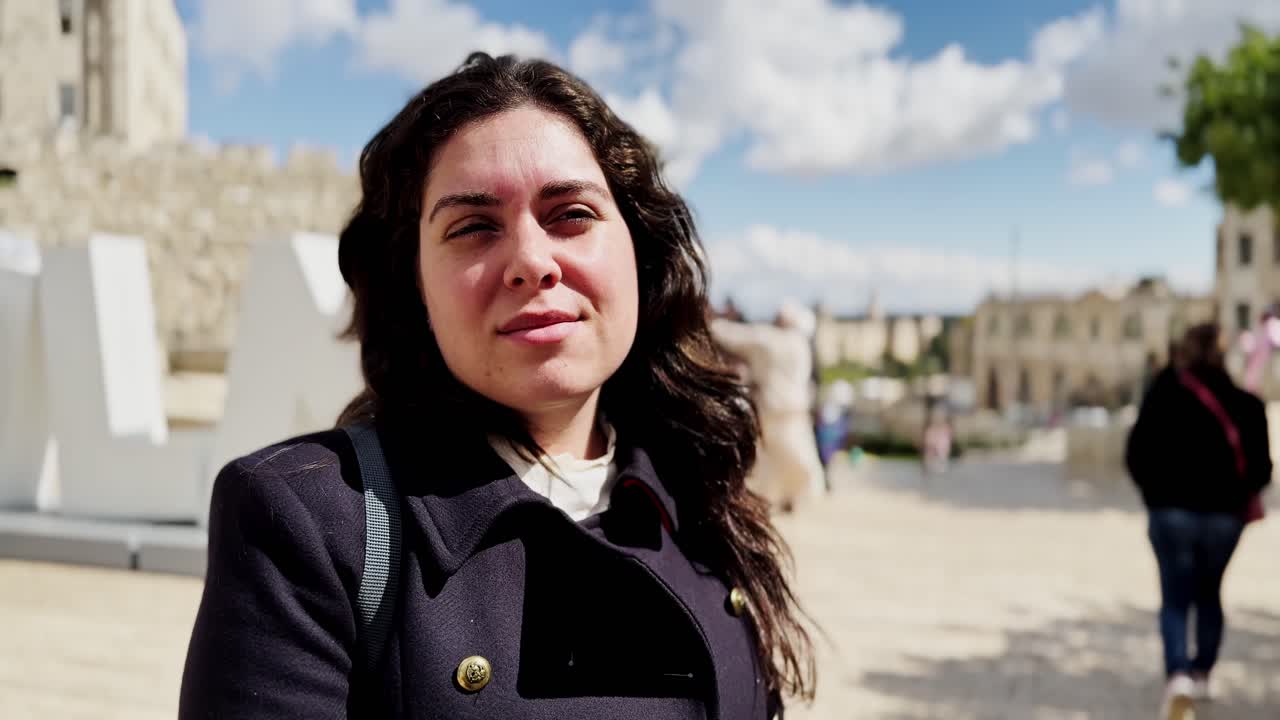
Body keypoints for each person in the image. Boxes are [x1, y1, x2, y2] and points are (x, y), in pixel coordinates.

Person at [179, 53, 813, 718]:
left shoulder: (699, 497)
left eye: (570, 213)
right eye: (475, 227)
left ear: (639, 251)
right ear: (414, 286)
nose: (532, 263)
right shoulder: (309, 522)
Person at [1126, 323, 1271, 719]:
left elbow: (1135, 453)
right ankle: (1202, 673)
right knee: (1209, 594)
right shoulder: (1247, 404)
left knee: (1174, 597)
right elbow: (1261, 472)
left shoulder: (1163, 393)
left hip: (1170, 512)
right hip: (1224, 519)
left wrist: (1155, 496)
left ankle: (1178, 676)